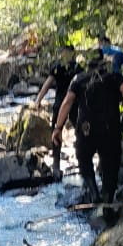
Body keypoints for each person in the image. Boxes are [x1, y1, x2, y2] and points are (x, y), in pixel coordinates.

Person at [52, 59, 123, 215]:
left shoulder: (78, 79)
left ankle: (93, 192)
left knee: (84, 159)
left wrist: (58, 128)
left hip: (86, 129)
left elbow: (67, 102)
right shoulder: (113, 77)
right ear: (104, 65)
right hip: (109, 129)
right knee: (110, 165)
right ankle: (107, 202)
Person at [35, 43, 82, 180]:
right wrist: (38, 99)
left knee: (57, 132)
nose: (63, 54)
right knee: (77, 132)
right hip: (73, 104)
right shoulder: (76, 67)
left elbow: (47, 84)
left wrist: (39, 99)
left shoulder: (59, 67)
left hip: (62, 103)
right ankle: (76, 162)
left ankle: (57, 166)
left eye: (63, 51)